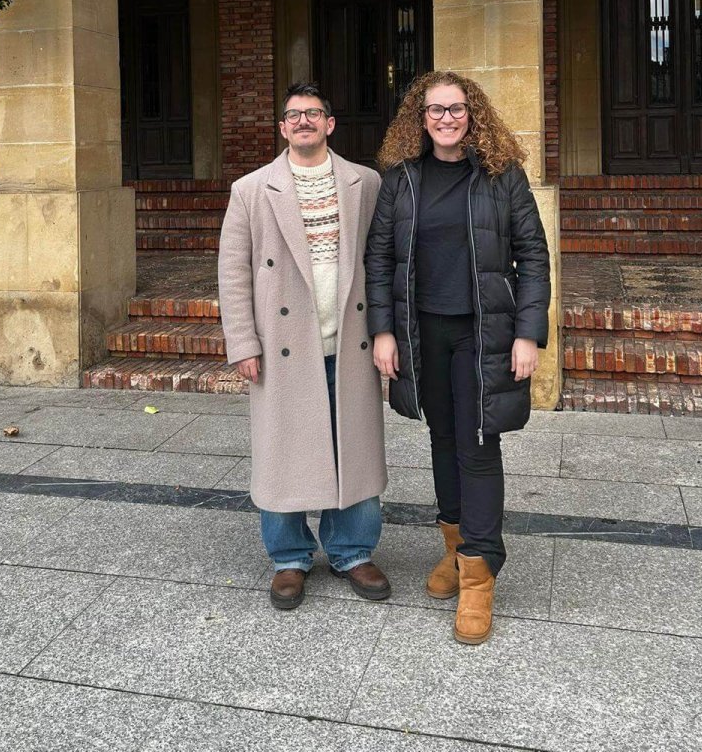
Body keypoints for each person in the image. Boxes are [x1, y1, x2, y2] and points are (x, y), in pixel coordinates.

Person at [365, 70, 550, 645]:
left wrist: (528, 334)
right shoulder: (401, 180)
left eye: (457, 108)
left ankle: (478, 573)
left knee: (477, 443)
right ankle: (454, 547)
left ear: (474, 115)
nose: (447, 118)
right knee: (442, 438)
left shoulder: (501, 175)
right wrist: (383, 332)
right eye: (435, 110)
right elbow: (379, 261)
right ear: (419, 119)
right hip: (423, 332)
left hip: (483, 332)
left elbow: (533, 256)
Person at [218, 82, 390, 611]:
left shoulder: (366, 182)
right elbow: (233, 271)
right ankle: (289, 557)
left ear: (330, 124)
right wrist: (243, 342)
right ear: (282, 128)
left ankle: (352, 549)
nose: (303, 122)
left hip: (350, 340)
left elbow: (382, 260)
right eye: (293, 115)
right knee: (282, 449)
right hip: (283, 345)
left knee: (354, 445)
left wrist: (387, 330)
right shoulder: (251, 189)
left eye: (313, 113)